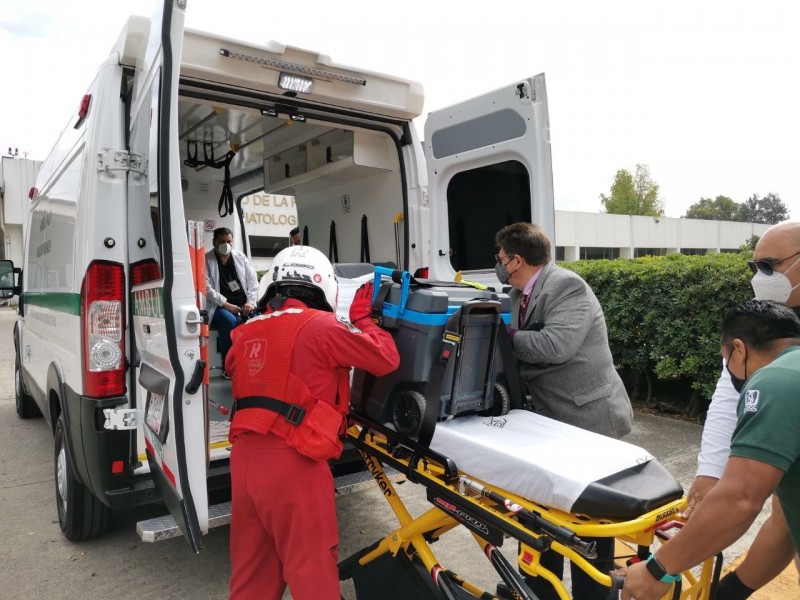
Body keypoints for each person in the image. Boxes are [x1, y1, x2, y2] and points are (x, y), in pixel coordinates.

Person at [225, 245, 400, 600]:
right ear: (323, 288)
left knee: (252, 577)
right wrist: (363, 319)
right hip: (295, 462)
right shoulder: (323, 326)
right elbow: (386, 358)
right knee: (312, 575)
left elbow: (233, 367)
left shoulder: (243, 332)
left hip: (243, 464)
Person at [621, 299, 800, 600]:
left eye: (725, 358)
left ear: (738, 349)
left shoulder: (775, 381)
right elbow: (785, 524)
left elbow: (740, 498)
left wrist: (658, 570)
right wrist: (727, 593)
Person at [495, 222, 633, 600]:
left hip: (588, 418)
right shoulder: (517, 294)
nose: (499, 265)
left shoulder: (567, 287)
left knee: (588, 520)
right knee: (540, 513)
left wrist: (504, 337)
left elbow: (555, 346)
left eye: (501, 259)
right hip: (548, 421)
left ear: (517, 260)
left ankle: (594, 594)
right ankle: (539, 587)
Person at [684, 221, 800, 597]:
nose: (759, 277)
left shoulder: (780, 373)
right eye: (755, 267)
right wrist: (709, 475)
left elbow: (743, 496)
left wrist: (658, 569)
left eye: (769, 265)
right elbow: (729, 395)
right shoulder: (764, 325)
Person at [205, 227, 259, 377]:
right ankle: (227, 367)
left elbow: (253, 282)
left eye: (229, 241)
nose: (226, 245)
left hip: (243, 303)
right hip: (220, 305)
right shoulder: (206, 259)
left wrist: (250, 302)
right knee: (229, 322)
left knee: (257, 321)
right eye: (222, 241)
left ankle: (252, 364)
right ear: (214, 242)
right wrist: (226, 305)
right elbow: (207, 288)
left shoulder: (240, 257)